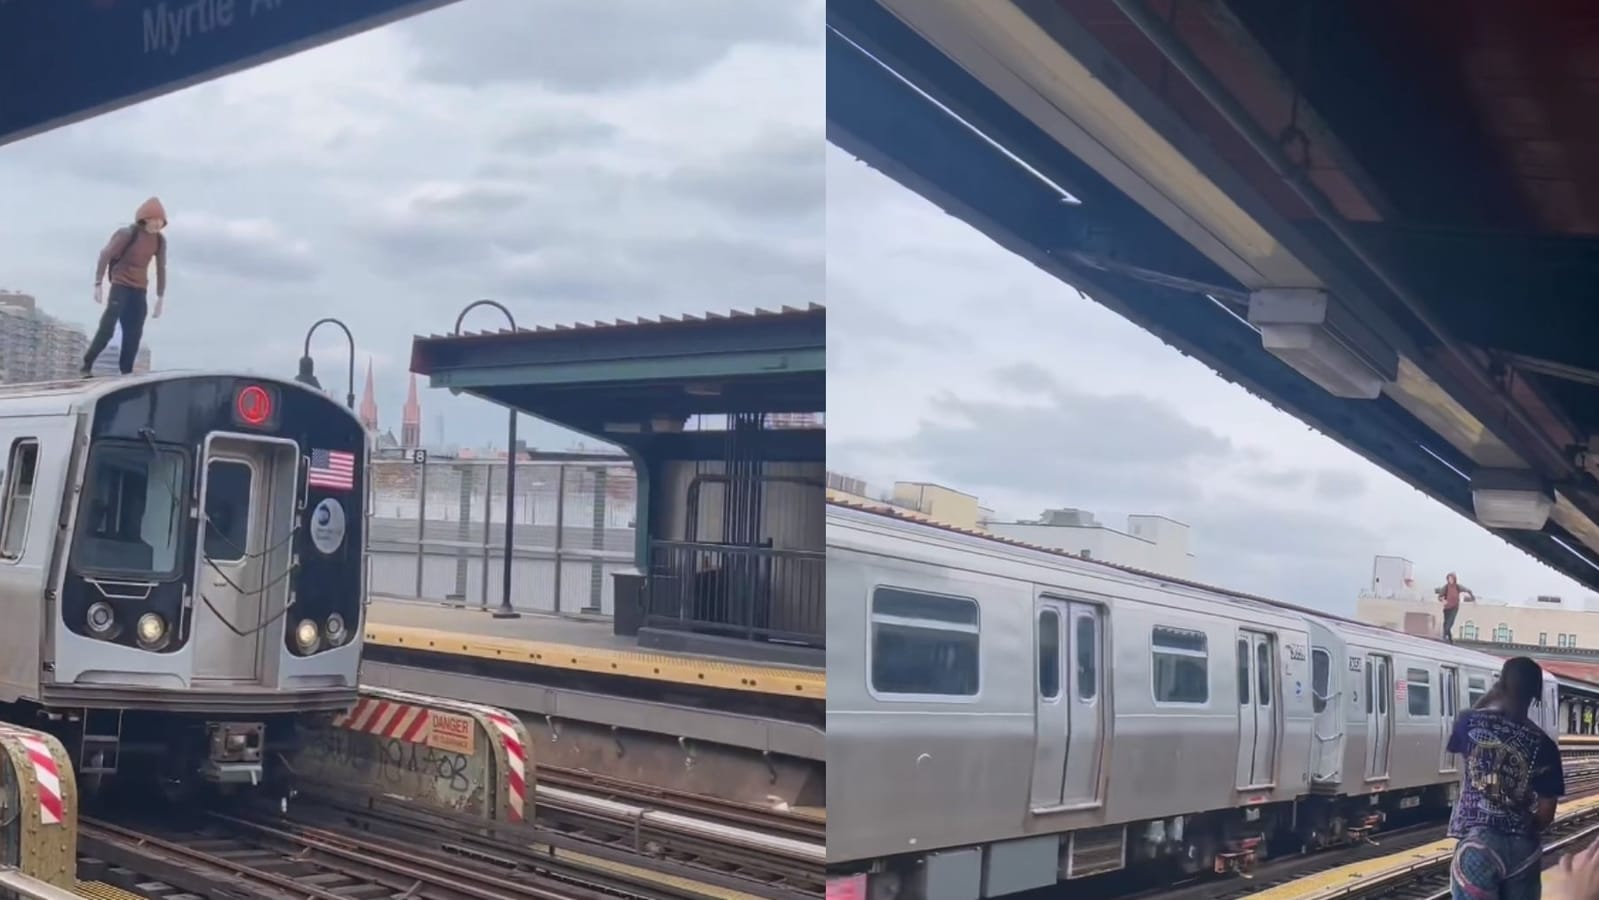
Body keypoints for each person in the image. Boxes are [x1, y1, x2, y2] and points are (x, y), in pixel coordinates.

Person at [1448, 656, 1566, 900]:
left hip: (1478, 845)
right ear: (1535, 694)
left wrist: (1494, 692)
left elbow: (1467, 717)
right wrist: (1522, 826)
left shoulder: (1470, 723)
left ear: (1500, 686)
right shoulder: (1544, 744)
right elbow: (1546, 814)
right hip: (1523, 849)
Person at [84, 197, 167, 377]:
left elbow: (161, 268)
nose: (157, 226)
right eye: (154, 221)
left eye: (161, 223)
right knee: (108, 327)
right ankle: (87, 364)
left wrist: (160, 297)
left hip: (139, 289)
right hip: (121, 285)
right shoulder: (128, 234)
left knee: (134, 332)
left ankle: (126, 371)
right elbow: (105, 255)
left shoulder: (159, 241)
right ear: (145, 219)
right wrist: (98, 283)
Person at [1437, 572, 1472, 643]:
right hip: (1447, 608)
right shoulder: (1446, 587)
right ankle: (1450, 639)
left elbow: (1466, 589)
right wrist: (1443, 600)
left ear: (1454, 579)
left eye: (1452, 578)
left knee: (1450, 622)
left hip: (1454, 607)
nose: (1450, 580)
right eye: (1449, 579)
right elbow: (1440, 596)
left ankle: (1444, 636)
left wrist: (1470, 594)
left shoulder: (1457, 587)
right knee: (1446, 623)